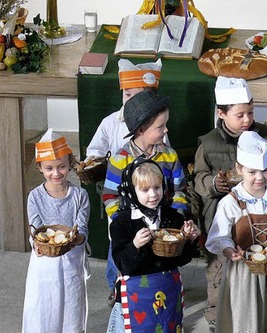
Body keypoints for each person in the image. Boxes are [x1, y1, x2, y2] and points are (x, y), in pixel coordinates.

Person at [192, 76, 267, 329]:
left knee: (255, 266)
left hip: (257, 216)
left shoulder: (264, 134)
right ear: (221, 113)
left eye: (251, 113)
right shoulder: (209, 143)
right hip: (221, 216)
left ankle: (254, 315)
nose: (247, 120)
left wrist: (265, 176)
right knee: (219, 271)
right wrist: (213, 183)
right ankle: (216, 316)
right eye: (240, 115)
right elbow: (198, 176)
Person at [205, 131, 267, 333]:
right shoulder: (231, 201)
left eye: (265, 171)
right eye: (252, 172)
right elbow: (219, 236)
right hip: (243, 272)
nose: (260, 177)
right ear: (239, 169)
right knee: (245, 311)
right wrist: (229, 250)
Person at [85, 58, 163, 307]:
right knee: (118, 240)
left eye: (137, 96)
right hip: (119, 197)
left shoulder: (158, 128)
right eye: (127, 94)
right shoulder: (111, 123)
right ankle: (115, 285)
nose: (130, 101)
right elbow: (95, 149)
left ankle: (150, 278)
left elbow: (165, 159)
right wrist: (95, 159)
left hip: (149, 195)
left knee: (149, 237)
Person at [107, 157, 200, 333]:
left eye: (157, 187)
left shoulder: (173, 217)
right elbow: (122, 264)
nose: (153, 194)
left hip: (167, 288)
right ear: (131, 191)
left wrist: (190, 240)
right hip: (136, 295)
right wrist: (134, 245)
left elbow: (181, 259)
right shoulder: (122, 224)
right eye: (145, 189)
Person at [22, 129, 90, 333]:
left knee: (72, 306)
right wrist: (37, 244)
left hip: (72, 261)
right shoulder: (34, 197)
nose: (56, 173)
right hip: (45, 266)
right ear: (40, 167)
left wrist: (77, 238)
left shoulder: (80, 195)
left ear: (70, 164)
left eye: (61, 166)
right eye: (49, 168)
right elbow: (35, 232)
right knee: (44, 307)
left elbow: (83, 228)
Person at [102, 90, 188, 222]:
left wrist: (177, 216)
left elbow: (179, 190)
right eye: (160, 127)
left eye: (166, 125)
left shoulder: (169, 156)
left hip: (165, 224)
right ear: (141, 130)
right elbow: (110, 196)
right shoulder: (119, 161)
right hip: (130, 230)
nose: (166, 130)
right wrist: (124, 223)